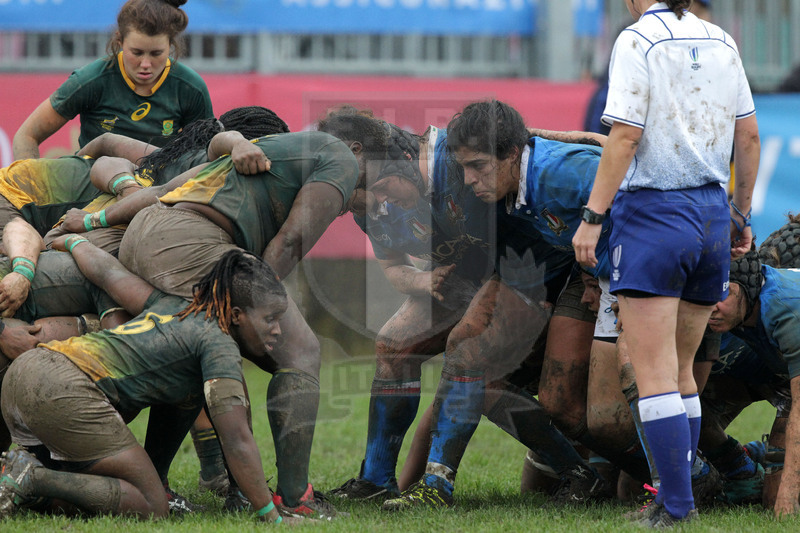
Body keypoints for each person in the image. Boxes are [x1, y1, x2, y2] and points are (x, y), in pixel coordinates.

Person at [55, 114, 385, 518]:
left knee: (192, 355)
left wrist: (91, 222)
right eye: (379, 180)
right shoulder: (337, 157)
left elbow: (161, 184)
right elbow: (290, 242)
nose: (376, 197)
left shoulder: (245, 156)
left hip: (141, 235)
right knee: (298, 351)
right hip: (182, 245)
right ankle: (293, 498)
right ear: (356, 151)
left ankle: (165, 481)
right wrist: (261, 302)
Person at [572, 0, 760, 527]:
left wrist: (593, 217)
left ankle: (676, 505)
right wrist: (740, 213)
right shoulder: (722, 41)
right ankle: (678, 497)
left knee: (654, 374)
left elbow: (625, 136)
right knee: (681, 373)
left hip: (653, 217)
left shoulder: (637, 39)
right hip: (710, 217)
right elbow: (748, 136)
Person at [0, 241, 288, 524]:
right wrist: (271, 516)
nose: (277, 330)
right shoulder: (219, 343)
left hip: (24, 373)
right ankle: (32, 478)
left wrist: (75, 241)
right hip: (61, 388)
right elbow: (236, 438)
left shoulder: (175, 306)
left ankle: (28, 483)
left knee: (186, 397)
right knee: (151, 504)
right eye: (271, 319)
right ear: (236, 315)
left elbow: (107, 272)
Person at [12, 0, 213, 160]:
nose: (145, 64)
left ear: (171, 46)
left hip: (159, 191)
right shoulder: (90, 80)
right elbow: (26, 136)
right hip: (92, 187)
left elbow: (206, 155)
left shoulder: (191, 88)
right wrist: (28, 186)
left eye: (156, 53)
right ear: (120, 41)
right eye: (137, 52)